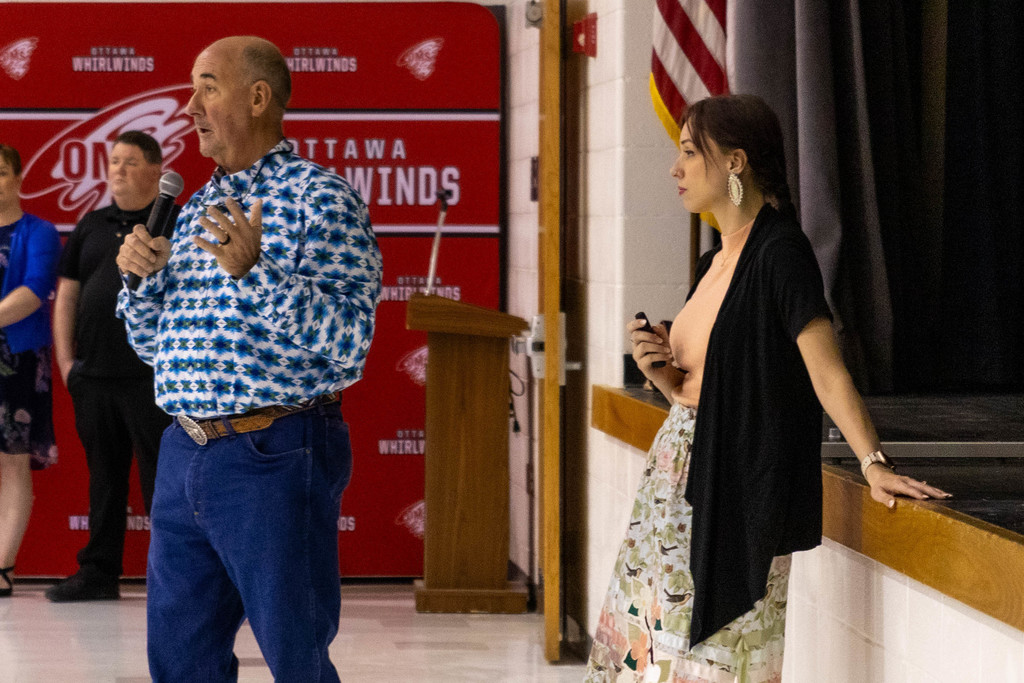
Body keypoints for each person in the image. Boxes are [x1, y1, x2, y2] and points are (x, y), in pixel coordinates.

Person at [584, 95, 950, 683]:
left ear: (735, 162)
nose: (675, 169)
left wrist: (873, 463)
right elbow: (703, 388)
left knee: (718, 656)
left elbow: (827, 371)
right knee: (653, 650)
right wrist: (661, 373)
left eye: (688, 153)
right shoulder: (712, 262)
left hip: (737, 482)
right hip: (677, 479)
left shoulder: (781, 252)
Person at [115, 36, 382, 682]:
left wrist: (257, 274)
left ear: (259, 98)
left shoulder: (321, 198)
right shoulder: (192, 210)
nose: (189, 106)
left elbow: (350, 340)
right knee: (180, 661)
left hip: (274, 452)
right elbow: (155, 348)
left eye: (207, 87)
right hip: (184, 451)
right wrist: (141, 285)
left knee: (296, 658)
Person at [45, 131, 175, 603]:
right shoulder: (92, 223)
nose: (117, 169)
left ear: (157, 170)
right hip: (94, 377)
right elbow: (67, 295)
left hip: (153, 379)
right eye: (114, 160)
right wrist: (66, 362)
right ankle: (99, 572)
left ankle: (173, 576)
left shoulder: (175, 225)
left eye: (130, 161)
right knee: (104, 477)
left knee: (162, 479)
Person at [0, 143, 61, 597]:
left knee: (12, 462)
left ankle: (3, 567)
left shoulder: (39, 231)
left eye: (1, 173)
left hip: (16, 360)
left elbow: (36, 290)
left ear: (18, 179)